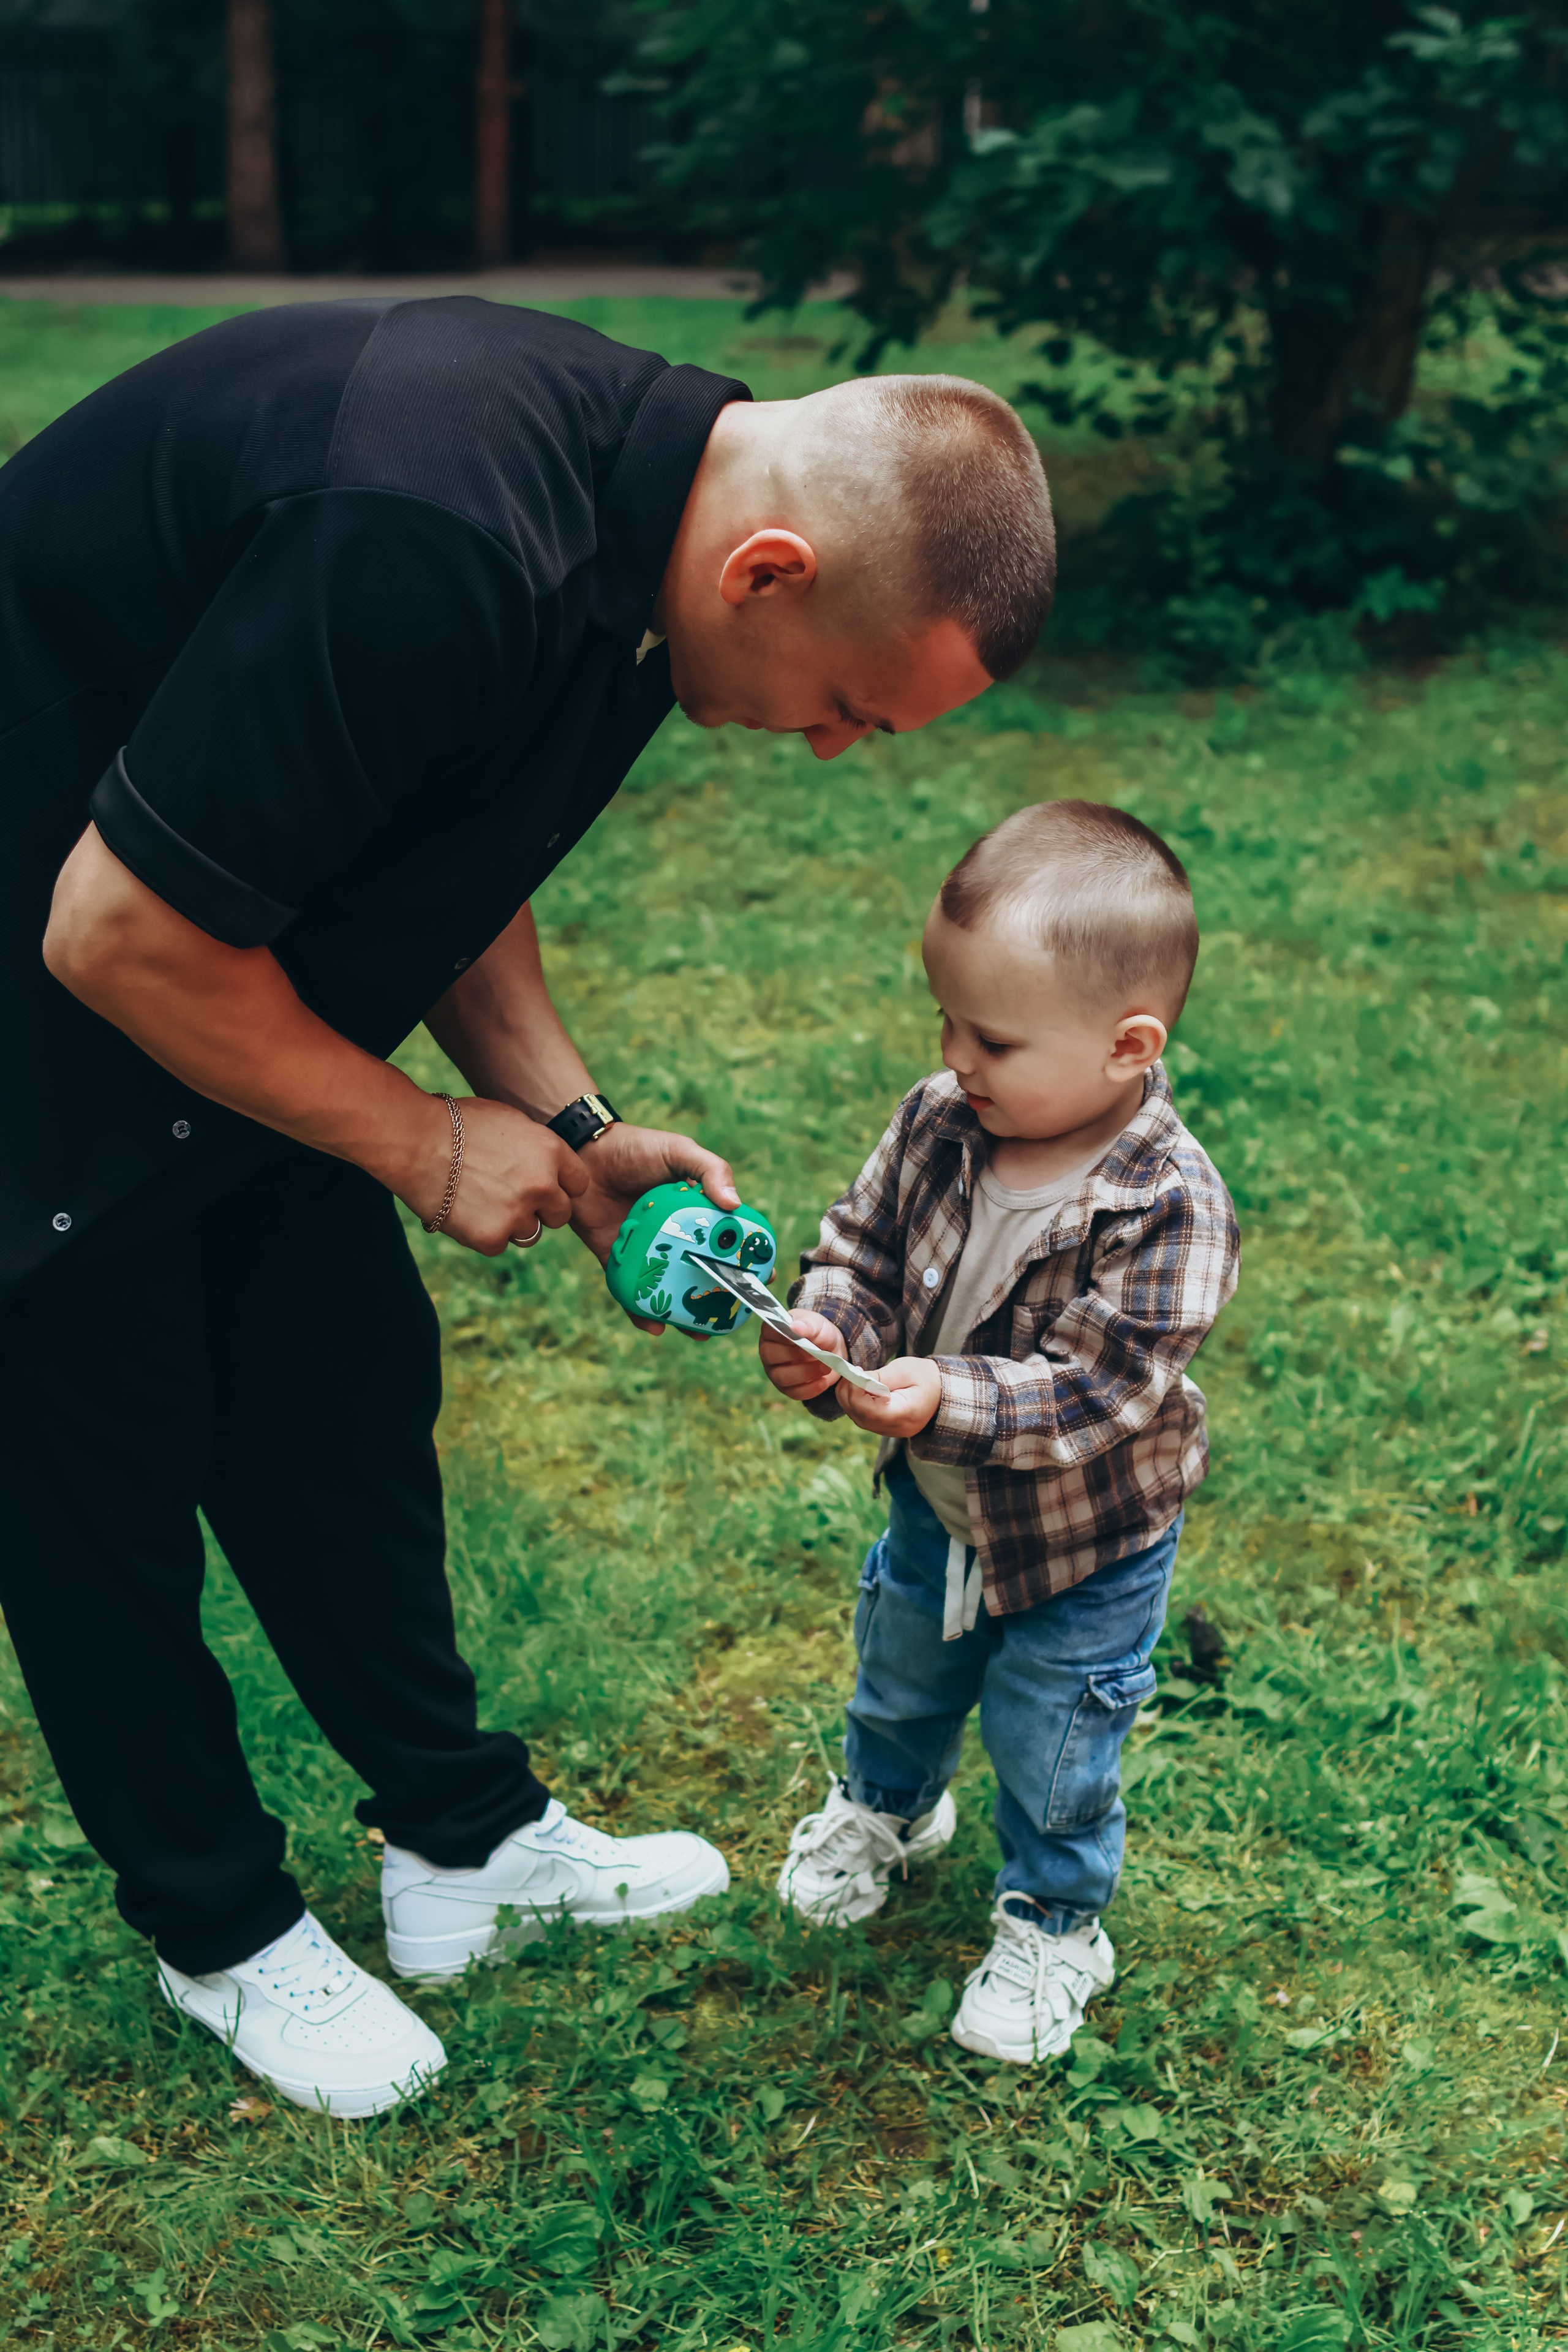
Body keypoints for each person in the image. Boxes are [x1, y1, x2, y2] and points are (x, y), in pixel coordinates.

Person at [0, 297, 1057, 2116]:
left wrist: (570, 1121)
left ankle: (462, 1843)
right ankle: (220, 1929)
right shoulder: (431, 528)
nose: (828, 747)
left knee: (336, 1383)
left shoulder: (625, 538)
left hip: (214, 951)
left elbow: (429, 820)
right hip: (56, 955)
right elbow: (115, 934)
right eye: (849, 706)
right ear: (771, 574)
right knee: (97, 1454)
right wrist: (421, 1140)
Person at [761, 800, 1239, 2062]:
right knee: (900, 1669)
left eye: (993, 1038)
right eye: (947, 1021)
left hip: (1086, 1539)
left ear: (1129, 1046)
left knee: (1053, 1733)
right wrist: (827, 1328)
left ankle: (1054, 1920)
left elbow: (1096, 1389)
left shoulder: (1169, 1206)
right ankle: (888, 1806)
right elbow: (859, 1249)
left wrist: (942, 1394)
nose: (955, 1057)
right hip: (937, 1500)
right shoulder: (940, 1120)